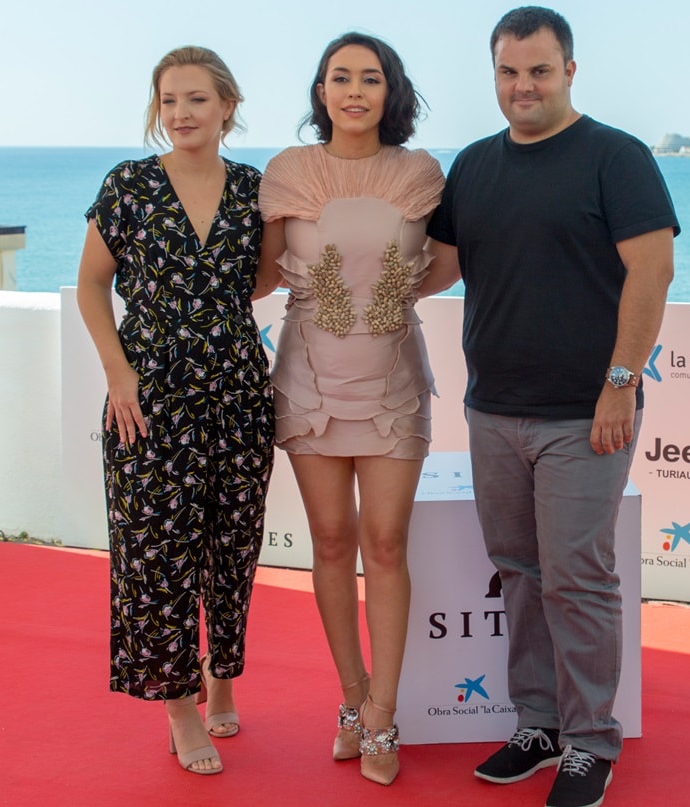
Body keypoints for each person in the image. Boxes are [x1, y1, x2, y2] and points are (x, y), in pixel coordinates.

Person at [426, 7, 679, 807]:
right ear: (493, 75)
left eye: (538, 70)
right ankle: (537, 723)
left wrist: (619, 383)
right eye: (508, 71)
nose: (522, 86)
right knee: (522, 572)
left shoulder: (616, 157)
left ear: (570, 70)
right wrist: (337, 270)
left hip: (585, 411)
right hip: (492, 409)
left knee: (577, 575)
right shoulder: (470, 166)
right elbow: (435, 268)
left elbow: (652, 272)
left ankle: (590, 740)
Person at [257, 32, 453, 786]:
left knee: (388, 542)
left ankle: (384, 714)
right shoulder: (288, 171)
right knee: (332, 541)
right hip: (309, 381)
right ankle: (350, 699)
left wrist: (383, 302)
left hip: (392, 384)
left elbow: (446, 264)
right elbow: (264, 275)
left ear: (390, 91)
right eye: (340, 77)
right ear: (320, 91)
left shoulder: (419, 172)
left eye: (370, 78)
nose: (354, 90)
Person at [76, 45, 276, 776]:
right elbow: (92, 286)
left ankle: (222, 675)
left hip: (237, 393)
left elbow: (258, 281)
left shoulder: (256, 188)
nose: (181, 113)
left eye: (196, 98)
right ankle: (180, 707)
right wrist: (119, 374)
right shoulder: (128, 185)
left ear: (228, 105)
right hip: (149, 399)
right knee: (155, 559)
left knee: (231, 547)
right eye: (168, 101)